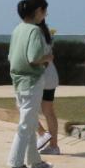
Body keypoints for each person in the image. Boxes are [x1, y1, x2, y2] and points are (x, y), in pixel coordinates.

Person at [7, 0, 54, 168]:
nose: (45, 15)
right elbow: (33, 58)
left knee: (31, 122)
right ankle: (16, 165)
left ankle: (34, 160)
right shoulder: (35, 31)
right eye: (45, 11)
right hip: (31, 82)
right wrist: (47, 57)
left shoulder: (17, 29)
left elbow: (11, 57)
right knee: (26, 124)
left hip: (18, 82)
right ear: (38, 10)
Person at [35, 20, 61, 155]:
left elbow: (35, 56)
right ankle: (54, 146)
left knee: (24, 108)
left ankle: (42, 134)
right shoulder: (46, 34)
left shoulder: (35, 33)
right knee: (49, 111)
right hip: (50, 75)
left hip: (40, 75)